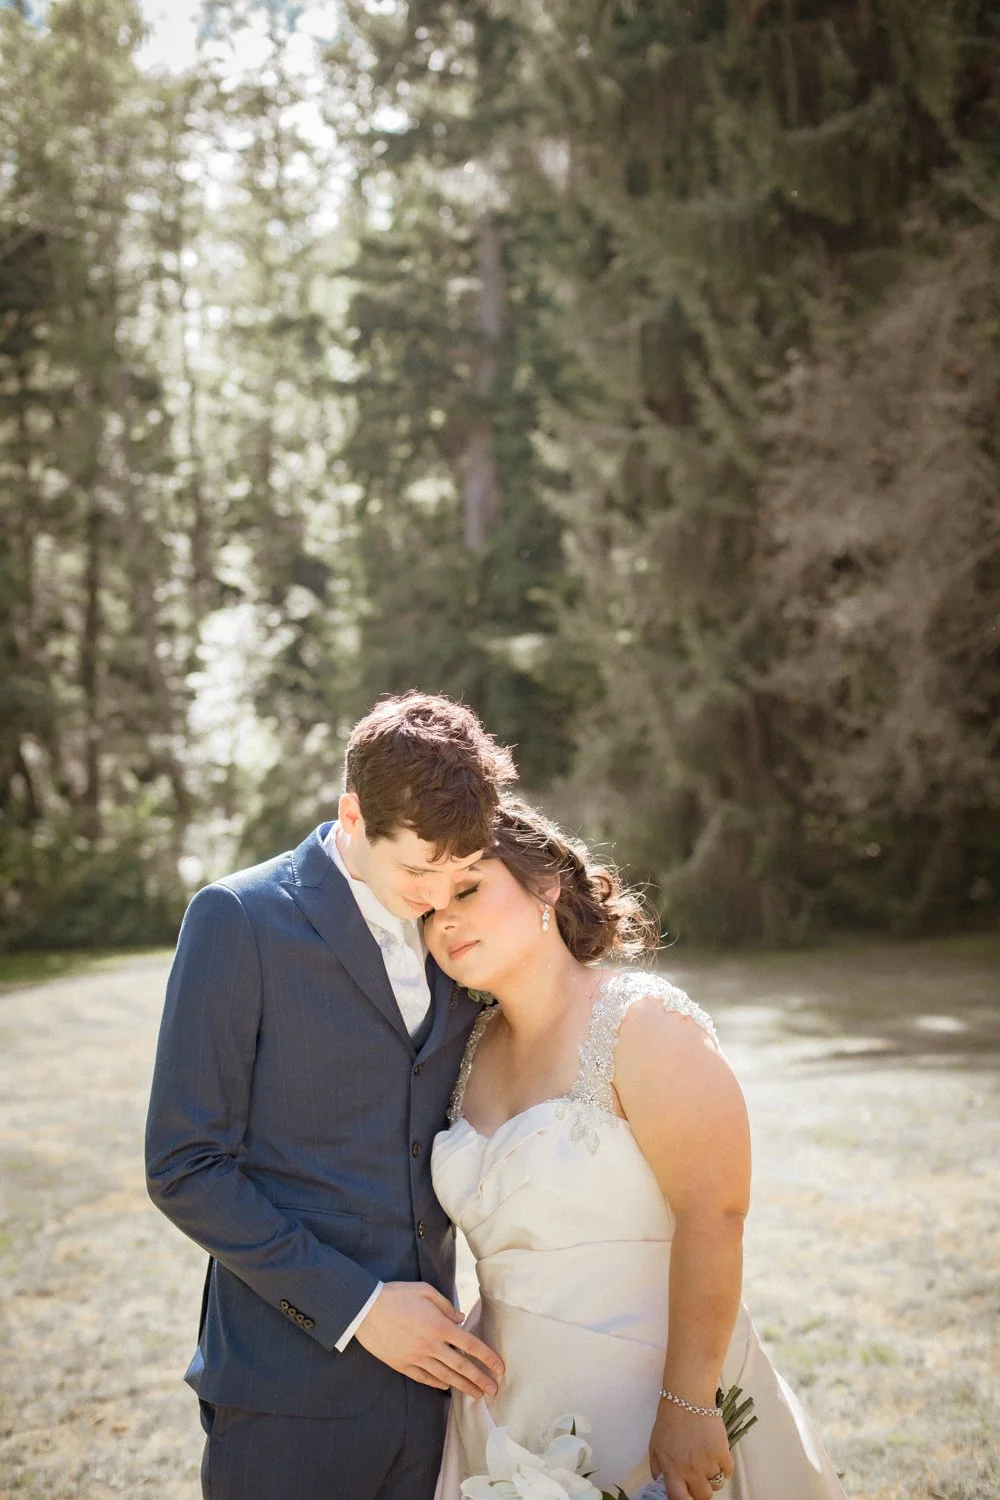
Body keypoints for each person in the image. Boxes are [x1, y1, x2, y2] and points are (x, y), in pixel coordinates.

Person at [145, 692, 513, 1500]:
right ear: (352, 815)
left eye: (457, 872)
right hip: (288, 1395)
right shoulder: (238, 920)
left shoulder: (458, 925)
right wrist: (361, 1308)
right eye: (417, 870)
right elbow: (184, 1164)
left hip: (434, 1393)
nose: (436, 895)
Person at [425, 798, 847, 1500]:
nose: (445, 920)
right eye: (428, 907)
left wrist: (688, 1404)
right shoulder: (465, 1050)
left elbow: (716, 1212)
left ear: (544, 885)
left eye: (467, 888)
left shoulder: (641, 1022)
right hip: (504, 1412)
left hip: (655, 1394)